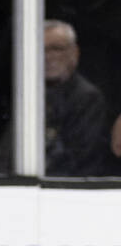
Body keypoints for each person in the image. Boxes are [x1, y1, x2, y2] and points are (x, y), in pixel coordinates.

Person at [43, 19, 111, 177]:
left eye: (56, 49)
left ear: (74, 53)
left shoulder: (87, 98)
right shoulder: (27, 96)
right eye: (42, 49)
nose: (48, 57)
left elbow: (80, 157)